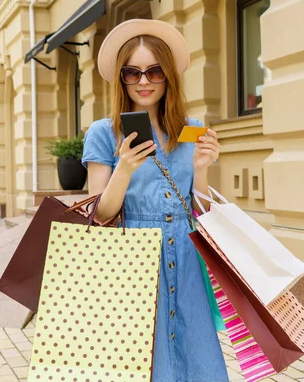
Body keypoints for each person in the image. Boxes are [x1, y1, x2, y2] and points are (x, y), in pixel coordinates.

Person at [81, 19, 229, 382]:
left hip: (188, 259)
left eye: (154, 71)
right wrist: (124, 168)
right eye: (133, 72)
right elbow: (98, 212)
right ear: (121, 78)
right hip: (133, 260)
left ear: (168, 76)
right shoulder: (104, 132)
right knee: (142, 362)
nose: (144, 81)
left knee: (196, 359)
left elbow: (202, 212)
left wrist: (202, 167)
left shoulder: (189, 127)